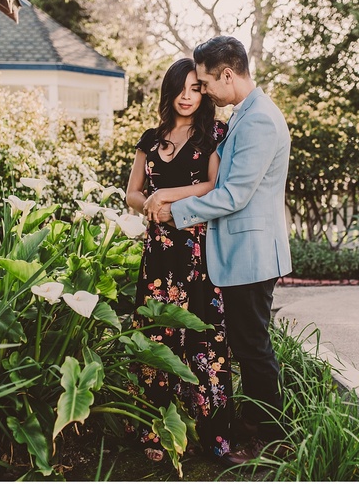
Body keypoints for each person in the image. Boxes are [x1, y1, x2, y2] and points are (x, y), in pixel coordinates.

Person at [145, 36, 293, 464]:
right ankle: (255, 424)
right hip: (241, 254)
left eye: (207, 82)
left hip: (251, 254)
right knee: (249, 346)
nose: (203, 91)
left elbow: (234, 196)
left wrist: (175, 212)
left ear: (228, 74)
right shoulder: (245, 116)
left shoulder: (260, 120)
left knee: (253, 349)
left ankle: (270, 439)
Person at [125, 57, 232, 464]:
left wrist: (165, 195)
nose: (187, 96)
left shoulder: (213, 134)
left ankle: (216, 441)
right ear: (168, 92)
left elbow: (213, 185)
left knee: (205, 345)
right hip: (157, 258)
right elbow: (132, 193)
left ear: (204, 92)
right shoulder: (149, 138)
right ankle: (155, 435)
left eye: (195, 88)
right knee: (156, 344)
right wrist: (148, 203)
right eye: (180, 88)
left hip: (197, 255)